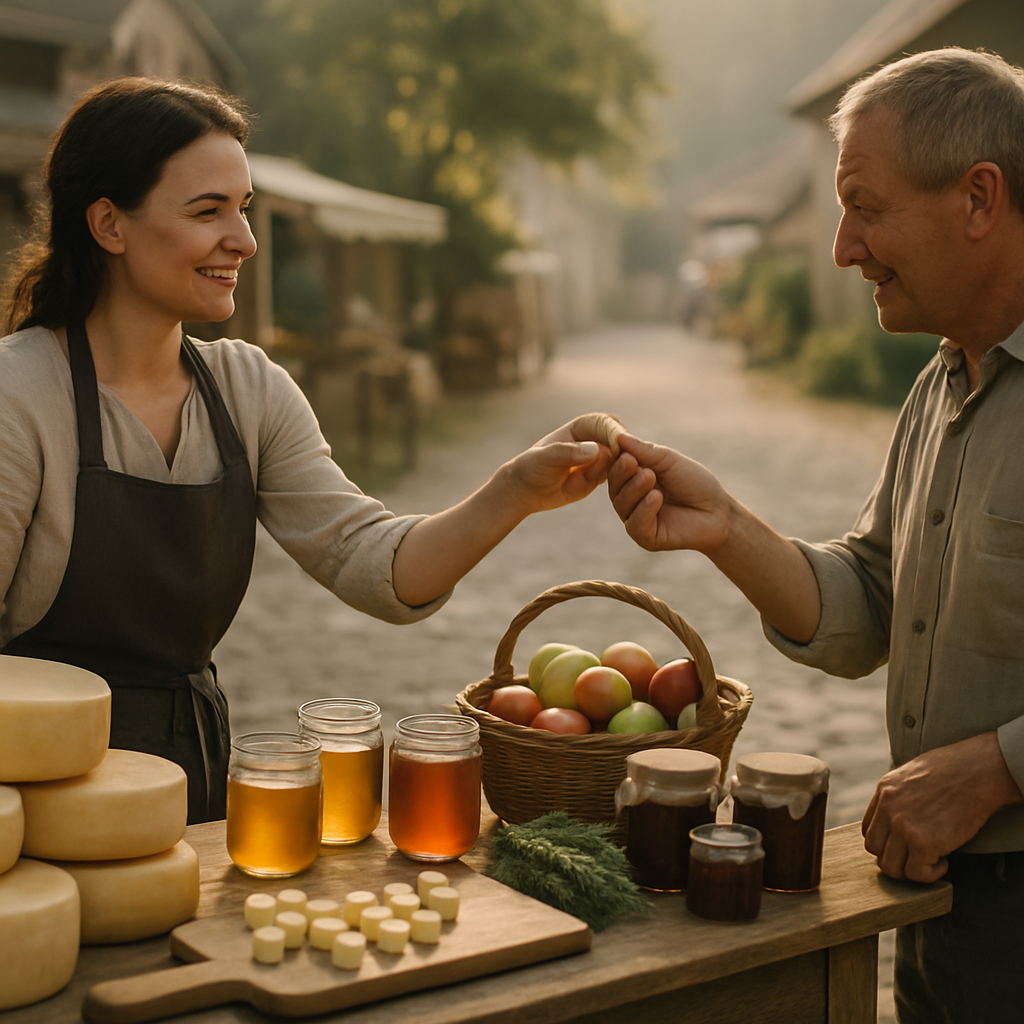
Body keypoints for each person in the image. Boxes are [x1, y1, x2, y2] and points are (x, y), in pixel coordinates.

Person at [0, 77, 618, 825]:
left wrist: (514, 489)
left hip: (189, 789)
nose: (245, 241)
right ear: (109, 224)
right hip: (32, 803)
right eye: (208, 211)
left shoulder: (248, 388)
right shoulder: (19, 393)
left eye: (244, 209)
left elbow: (374, 567)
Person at [607, 48, 1024, 1023]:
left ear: (977, 198)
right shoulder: (942, 383)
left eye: (864, 206)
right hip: (944, 907)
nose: (841, 248)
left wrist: (999, 765)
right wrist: (723, 527)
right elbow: (869, 604)